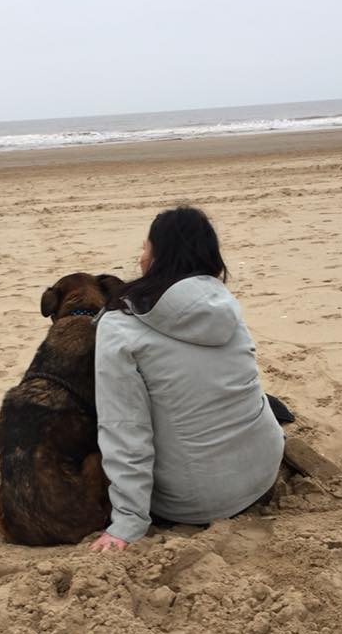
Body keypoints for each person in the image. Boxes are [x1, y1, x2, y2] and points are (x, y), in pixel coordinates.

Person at [89, 206, 285, 552]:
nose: (140, 257)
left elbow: (125, 429)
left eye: (145, 247)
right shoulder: (222, 302)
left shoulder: (119, 324)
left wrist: (127, 523)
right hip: (265, 467)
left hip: (199, 500)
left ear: (158, 256)